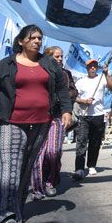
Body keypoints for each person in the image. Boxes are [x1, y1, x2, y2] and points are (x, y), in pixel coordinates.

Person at [0, 24, 72, 223]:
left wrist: (66, 110)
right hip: (8, 122)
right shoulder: (5, 65)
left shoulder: (49, 63)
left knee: (25, 169)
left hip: (41, 123)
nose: (37, 41)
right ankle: (5, 216)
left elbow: (60, 88)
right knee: (9, 168)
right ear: (20, 41)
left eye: (40, 38)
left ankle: (17, 210)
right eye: (32, 38)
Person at [30, 46, 78, 199]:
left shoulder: (65, 74)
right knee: (38, 153)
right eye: (56, 56)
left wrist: (61, 97)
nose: (60, 59)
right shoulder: (38, 71)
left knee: (53, 152)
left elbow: (73, 91)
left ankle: (50, 181)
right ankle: (37, 188)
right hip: (37, 117)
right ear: (47, 57)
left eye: (61, 56)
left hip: (57, 117)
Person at [73, 58, 112, 179]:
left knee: (95, 142)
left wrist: (107, 74)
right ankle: (79, 168)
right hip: (84, 116)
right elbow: (74, 97)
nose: (93, 68)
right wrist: (84, 101)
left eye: (95, 66)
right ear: (86, 68)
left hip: (98, 116)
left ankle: (91, 165)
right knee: (81, 141)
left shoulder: (102, 78)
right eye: (90, 66)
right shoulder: (81, 82)